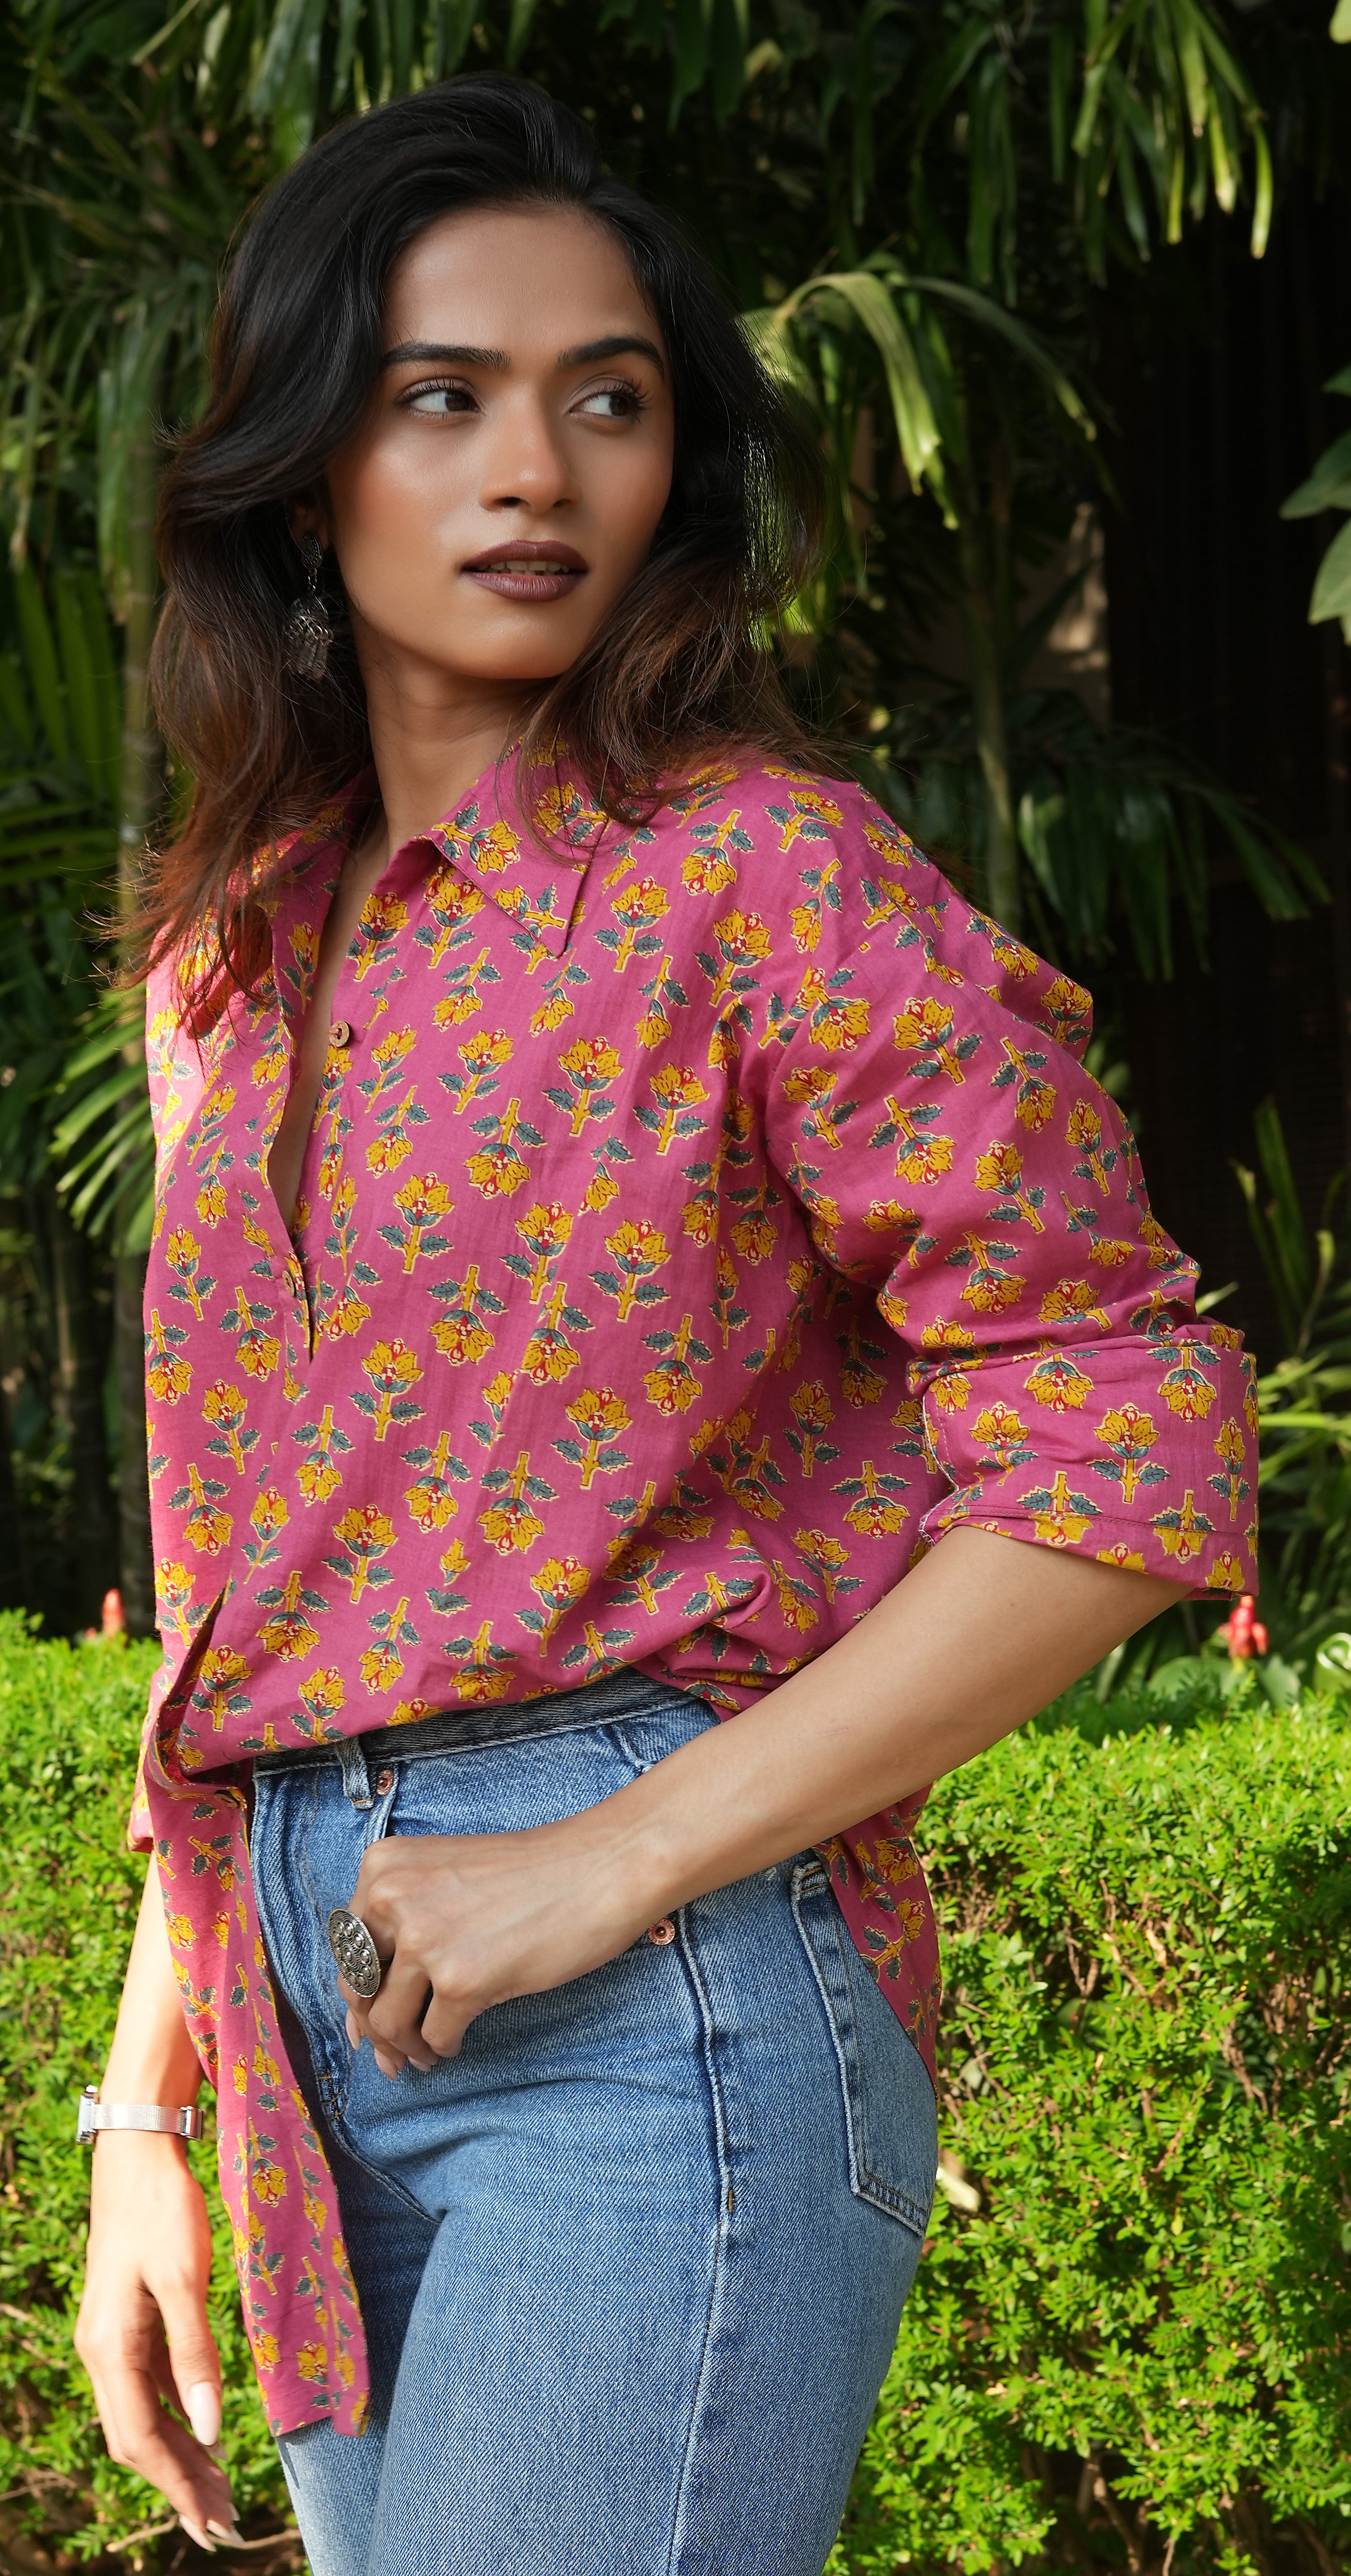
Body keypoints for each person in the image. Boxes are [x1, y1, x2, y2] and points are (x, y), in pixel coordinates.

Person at [74, 73, 1257, 2576]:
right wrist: (146, 2121)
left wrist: (598, 1867)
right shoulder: (236, 952)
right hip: (311, 2024)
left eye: (608, 397)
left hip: (654, 2018)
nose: (540, 469)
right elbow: (232, 1607)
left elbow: (1132, 1447)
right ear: (303, 465)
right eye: (444, 397)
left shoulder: (764, 884)